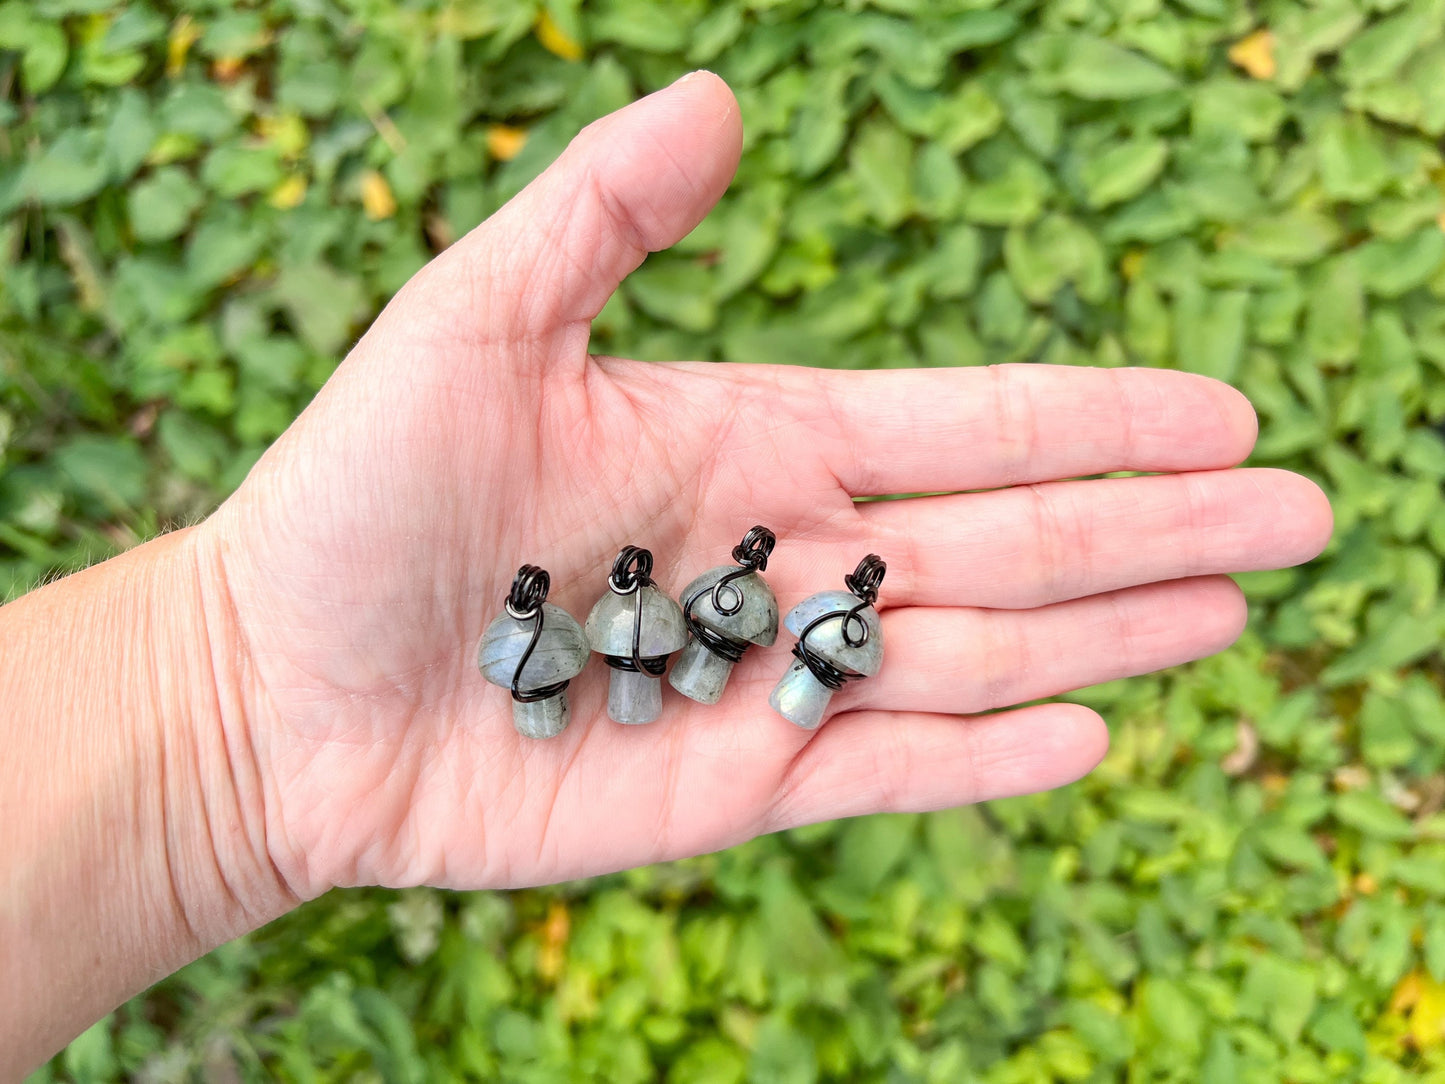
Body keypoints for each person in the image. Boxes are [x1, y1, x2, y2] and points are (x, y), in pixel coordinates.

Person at [0, 72, 1332, 1075]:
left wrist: (214, 718)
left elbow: (760, 632)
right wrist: (229, 687)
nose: (747, 565)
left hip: (687, 655)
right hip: (635, 656)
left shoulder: (767, 618)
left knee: (691, 671)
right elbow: (653, 635)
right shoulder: (617, 623)